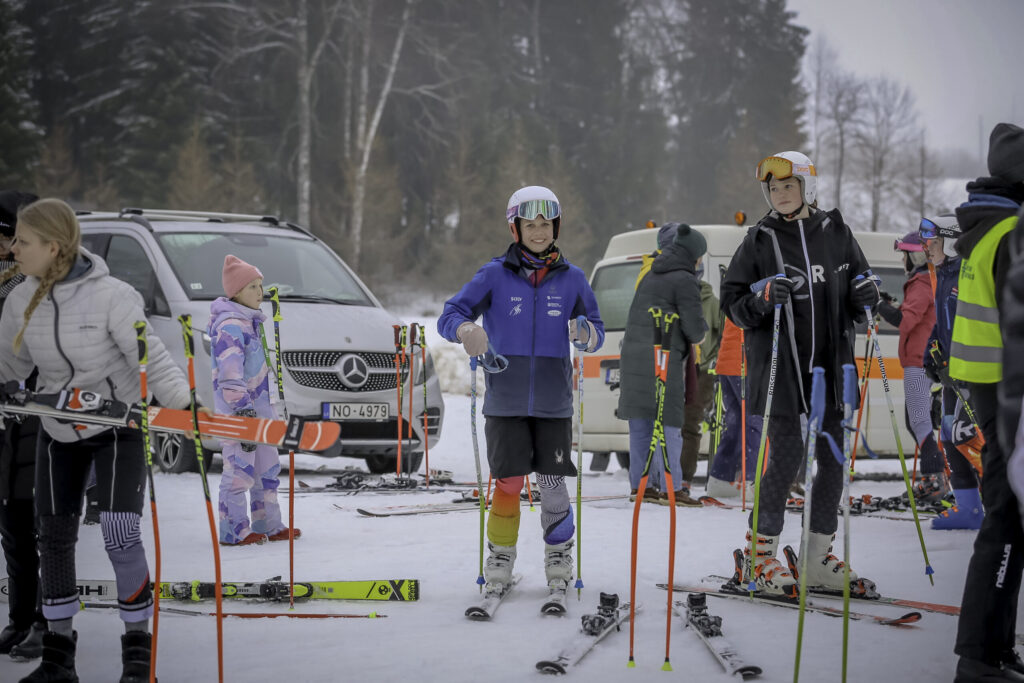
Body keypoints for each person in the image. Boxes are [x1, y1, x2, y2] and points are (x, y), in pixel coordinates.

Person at [0, 198, 199, 682]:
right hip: (57, 428)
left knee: (119, 533)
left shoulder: (112, 295)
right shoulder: (19, 297)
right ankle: (58, 660)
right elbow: (10, 365)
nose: (13, 250)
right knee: (54, 540)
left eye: (22, 242)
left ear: (53, 246)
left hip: (118, 429)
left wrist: (184, 402)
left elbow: (150, 356)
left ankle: (136, 660)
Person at [437, 185, 604, 604]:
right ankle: (500, 560)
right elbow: (451, 313)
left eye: (545, 224)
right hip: (505, 401)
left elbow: (596, 328)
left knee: (551, 483)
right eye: (530, 224)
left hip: (554, 403)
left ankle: (559, 559)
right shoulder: (494, 274)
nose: (539, 232)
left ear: (556, 227)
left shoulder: (574, 278)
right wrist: (466, 330)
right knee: (508, 482)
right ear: (516, 228)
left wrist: (585, 333)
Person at [720, 150, 876, 596]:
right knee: (786, 460)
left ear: (807, 187)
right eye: (773, 189)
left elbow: (860, 291)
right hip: (781, 372)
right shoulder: (759, 240)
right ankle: (758, 557)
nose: (781, 195)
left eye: (789, 186)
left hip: (831, 369)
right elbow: (734, 304)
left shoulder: (836, 233)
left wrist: (864, 293)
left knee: (831, 463)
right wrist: (763, 297)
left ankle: (816, 556)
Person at [951, 122, 1024, 683]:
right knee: (1008, 516)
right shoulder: (1010, 234)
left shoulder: (985, 227)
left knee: (1008, 514)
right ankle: (979, 655)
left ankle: (990, 649)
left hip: (987, 384)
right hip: (1008, 390)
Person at [210, 254, 300, 546]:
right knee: (239, 470)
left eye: (261, 285)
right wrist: (242, 409)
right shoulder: (230, 326)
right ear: (235, 291)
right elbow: (230, 374)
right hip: (241, 413)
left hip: (262, 410)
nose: (260, 292)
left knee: (267, 468)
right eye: (252, 287)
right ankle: (233, 529)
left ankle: (269, 524)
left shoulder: (251, 322)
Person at [617, 222, 706, 507]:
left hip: (633, 358)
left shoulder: (651, 272)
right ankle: (672, 486)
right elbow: (696, 331)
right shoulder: (685, 279)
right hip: (662, 357)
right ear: (693, 254)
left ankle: (642, 486)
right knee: (669, 424)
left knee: (642, 425)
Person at [0, 190, 44, 662]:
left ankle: (46, 623)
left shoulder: (29, 288)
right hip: (6, 423)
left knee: (42, 528)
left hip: (36, 420)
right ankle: (19, 617)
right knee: (11, 523)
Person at [919, 215, 984, 530]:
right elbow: (942, 321)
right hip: (949, 373)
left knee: (969, 438)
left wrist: (958, 364)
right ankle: (969, 509)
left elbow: (972, 323)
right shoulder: (943, 273)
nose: (926, 248)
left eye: (932, 241)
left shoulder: (966, 273)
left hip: (968, 372)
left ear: (951, 243)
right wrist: (932, 351)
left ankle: (1002, 505)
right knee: (947, 436)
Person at [877, 232, 946, 503]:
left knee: (919, 421)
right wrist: (887, 304)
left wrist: (878, 304)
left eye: (904, 254)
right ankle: (936, 478)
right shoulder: (928, 280)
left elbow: (906, 322)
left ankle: (935, 481)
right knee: (918, 420)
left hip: (918, 362)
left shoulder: (921, 282)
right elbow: (913, 314)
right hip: (922, 360)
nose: (903, 260)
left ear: (916, 255)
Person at [679, 259, 723, 500]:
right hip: (677, 367)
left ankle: (684, 477)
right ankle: (667, 475)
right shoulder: (675, 296)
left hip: (702, 371)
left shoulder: (711, 301)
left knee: (691, 423)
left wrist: (714, 359)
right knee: (671, 422)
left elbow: (724, 332)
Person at [705, 318, 761, 500]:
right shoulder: (758, 291)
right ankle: (753, 481)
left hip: (727, 363)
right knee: (755, 423)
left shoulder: (735, 293)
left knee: (736, 425)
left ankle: (720, 479)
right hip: (745, 363)